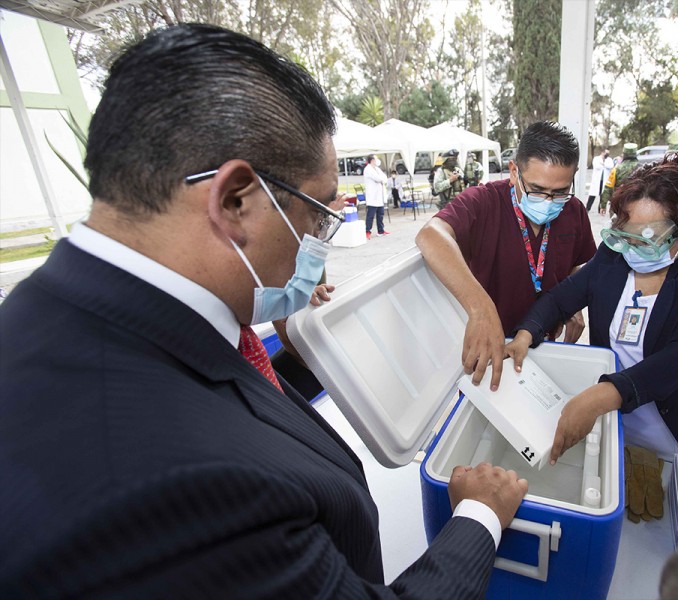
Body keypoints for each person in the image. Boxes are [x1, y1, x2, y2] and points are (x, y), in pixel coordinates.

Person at [0, 24, 529, 598]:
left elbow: (231, 389)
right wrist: (478, 517)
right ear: (235, 201)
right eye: (316, 214)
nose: (318, 244)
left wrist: (313, 356)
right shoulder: (174, 487)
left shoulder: (69, 313)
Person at [506, 157, 678, 465]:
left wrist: (603, 395)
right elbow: (560, 300)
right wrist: (526, 332)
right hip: (621, 428)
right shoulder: (612, 257)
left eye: (648, 239)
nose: (633, 248)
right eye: (626, 235)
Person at [416, 121, 596, 391]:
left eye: (559, 192)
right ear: (514, 171)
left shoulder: (574, 211)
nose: (548, 201)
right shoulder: (484, 202)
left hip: (545, 342)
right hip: (490, 346)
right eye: (536, 190)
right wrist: (481, 309)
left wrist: (573, 304)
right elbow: (430, 235)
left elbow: (574, 265)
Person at [599, 142, 639, 214]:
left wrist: (603, 205)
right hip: (636, 208)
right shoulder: (641, 168)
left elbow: (608, 187)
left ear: (624, 154)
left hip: (618, 207)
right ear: (636, 154)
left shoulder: (616, 169)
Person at [363, 154, 389, 239]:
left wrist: (382, 179)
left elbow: (384, 178)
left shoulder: (377, 169)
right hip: (372, 197)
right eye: (376, 158)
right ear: (372, 160)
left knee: (380, 214)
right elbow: (378, 179)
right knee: (370, 216)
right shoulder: (368, 169)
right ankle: (367, 231)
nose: (377, 160)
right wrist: (381, 179)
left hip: (379, 196)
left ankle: (381, 230)